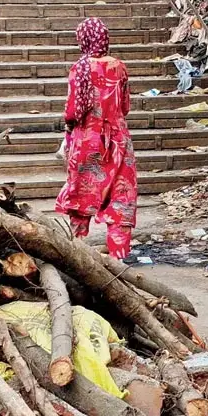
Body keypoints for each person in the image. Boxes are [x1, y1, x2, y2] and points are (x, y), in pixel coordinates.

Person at [55, 18, 138, 259]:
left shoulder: (79, 68)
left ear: (83, 39)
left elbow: (72, 112)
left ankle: (76, 252)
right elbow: (125, 106)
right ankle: (118, 257)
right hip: (119, 141)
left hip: (87, 141)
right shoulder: (119, 66)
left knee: (82, 192)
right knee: (122, 194)